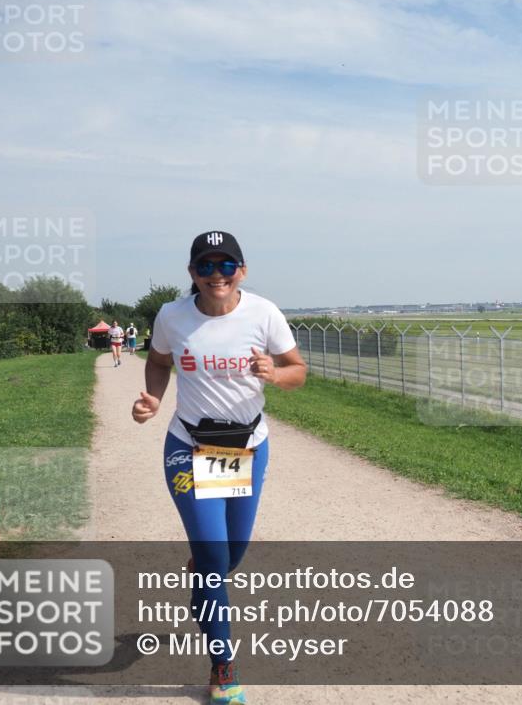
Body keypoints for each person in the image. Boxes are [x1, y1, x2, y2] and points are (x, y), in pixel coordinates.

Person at [131, 231, 307, 704]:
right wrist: (152, 399)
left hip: (244, 445)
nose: (216, 275)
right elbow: (158, 361)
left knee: (232, 556)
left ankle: (205, 569)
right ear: (192, 274)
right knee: (213, 562)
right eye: (205, 267)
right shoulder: (172, 315)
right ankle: (222, 666)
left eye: (226, 266)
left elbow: (299, 371)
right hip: (188, 446)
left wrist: (275, 373)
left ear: (241, 272)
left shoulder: (264, 313)